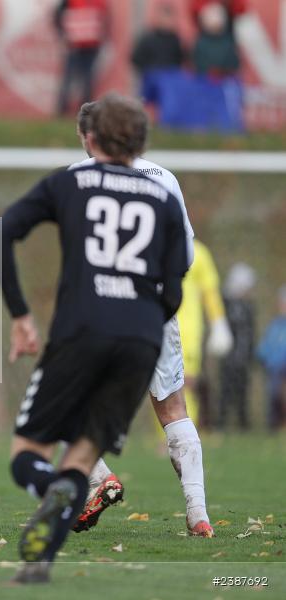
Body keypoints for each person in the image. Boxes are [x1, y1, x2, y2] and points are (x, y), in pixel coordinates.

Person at [0, 93, 189, 583]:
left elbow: (0, 233)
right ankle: (39, 564)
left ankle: (50, 489)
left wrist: (20, 315)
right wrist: (145, 320)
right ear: (141, 143)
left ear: (89, 138)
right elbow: (178, 275)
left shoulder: (71, 182)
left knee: (27, 459)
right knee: (81, 459)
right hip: (141, 341)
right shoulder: (162, 197)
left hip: (82, 331)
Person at [62, 101, 215, 538]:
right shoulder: (164, 177)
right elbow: (185, 252)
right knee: (173, 410)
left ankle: (100, 479)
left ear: (89, 137)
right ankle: (198, 512)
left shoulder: (77, 178)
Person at [177, 238, 233, 428]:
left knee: (185, 384)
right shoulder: (157, 242)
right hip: (158, 324)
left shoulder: (198, 252)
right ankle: (165, 438)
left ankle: (184, 435)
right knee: (159, 385)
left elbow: (210, 292)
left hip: (189, 330)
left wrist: (219, 323)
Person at [218, 262, 256, 430]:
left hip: (242, 358)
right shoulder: (227, 304)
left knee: (242, 393)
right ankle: (221, 424)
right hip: (230, 357)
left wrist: (248, 354)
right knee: (226, 392)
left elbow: (249, 333)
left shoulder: (248, 307)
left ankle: (243, 425)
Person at [54, 0, 109, 116]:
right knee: (69, 80)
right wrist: (63, 34)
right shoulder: (69, 2)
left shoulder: (100, 2)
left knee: (88, 81)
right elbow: (57, 17)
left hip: (92, 46)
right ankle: (62, 111)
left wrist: (102, 38)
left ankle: (85, 113)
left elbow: (105, 20)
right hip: (74, 46)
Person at [257, 286, 286, 431]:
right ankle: (275, 425)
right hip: (274, 370)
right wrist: (263, 357)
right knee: (274, 395)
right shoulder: (275, 325)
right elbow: (265, 346)